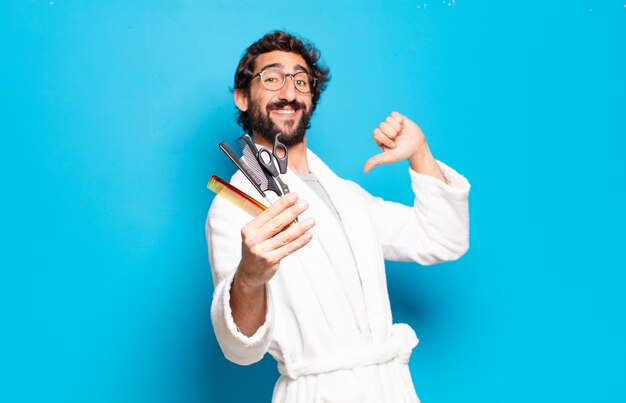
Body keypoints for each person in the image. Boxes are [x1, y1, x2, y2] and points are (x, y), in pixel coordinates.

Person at [206, 30, 470, 402]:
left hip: (388, 387)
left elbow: (443, 239)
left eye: (301, 80)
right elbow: (241, 350)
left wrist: (420, 153)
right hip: (319, 391)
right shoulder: (233, 205)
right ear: (243, 97)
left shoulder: (347, 196)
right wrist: (249, 275)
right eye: (271, 78)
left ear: (311, 98)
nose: (289, 91)